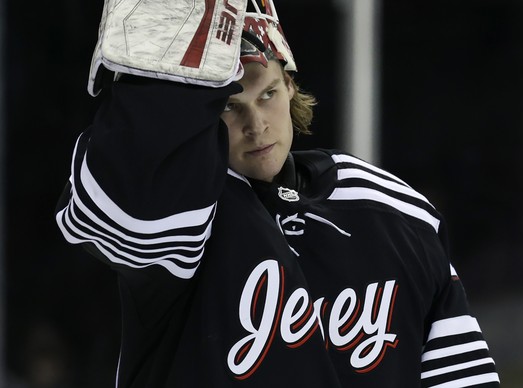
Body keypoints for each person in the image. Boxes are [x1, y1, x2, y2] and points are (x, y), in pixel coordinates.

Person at [56, 0, 500, 386]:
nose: (257, 125)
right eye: (230, 106)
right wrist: (162, 71)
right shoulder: (187, 216)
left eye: (267, 94)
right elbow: (124, 207)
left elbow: (459, 378)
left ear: (290, 85)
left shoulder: (391, 207)